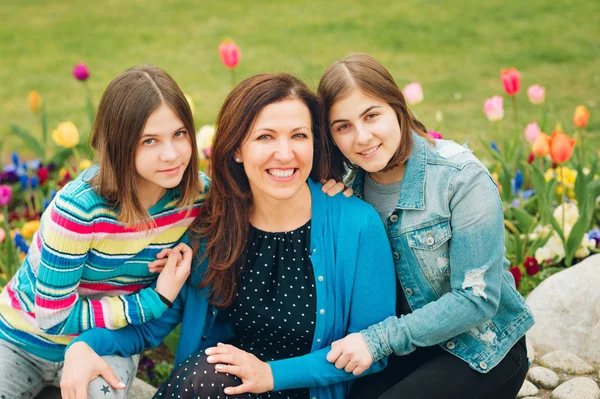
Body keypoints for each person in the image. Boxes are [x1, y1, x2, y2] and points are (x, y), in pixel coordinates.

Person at [60, 73, 397, 399]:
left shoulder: (355, 226)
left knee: (212, 377)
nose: (285, 153)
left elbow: (373, 349)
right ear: (237, 149)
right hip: (218, 389)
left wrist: (270, 376)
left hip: (299, 389)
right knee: (212, 374)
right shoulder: (215, 226)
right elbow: (152, 328)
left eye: (298, 136)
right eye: (265, 137)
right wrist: (84, 346)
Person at [317, 53, 534, 399]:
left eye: (371, 115)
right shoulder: (347, 187)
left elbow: (477, 300)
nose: (361, 137)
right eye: (343, 126)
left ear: (398, 109)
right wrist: (330, 207)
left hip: (483, 348)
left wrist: (376, 341)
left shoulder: (461, 179)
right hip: (410, 349)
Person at [0, 65, 205, 399]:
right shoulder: (80, 209)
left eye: (179, 134)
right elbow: (54, 318)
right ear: (120, 145)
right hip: (20, 341)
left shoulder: (197, 197)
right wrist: (154, 300)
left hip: (105, 346)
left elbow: (259, 192)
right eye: (150, 140)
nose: (171, 155)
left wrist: (323, 183)